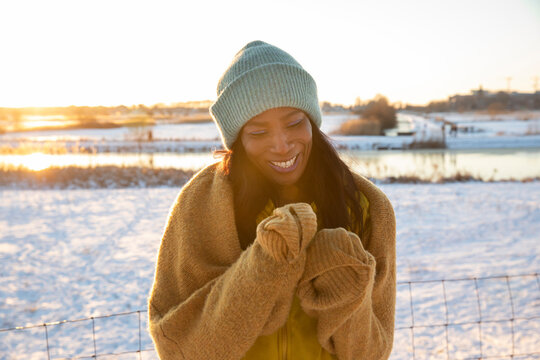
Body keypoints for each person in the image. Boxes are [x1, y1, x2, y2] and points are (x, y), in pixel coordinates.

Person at [148, 40, 396, 360]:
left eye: (294, 123)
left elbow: (373, 353)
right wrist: (264, 266)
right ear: (238, 139)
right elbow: (179, 349)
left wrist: (346, 290)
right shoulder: (202, 204)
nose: (281, 145)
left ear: (312, 122)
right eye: (258, 132)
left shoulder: (367, 206)